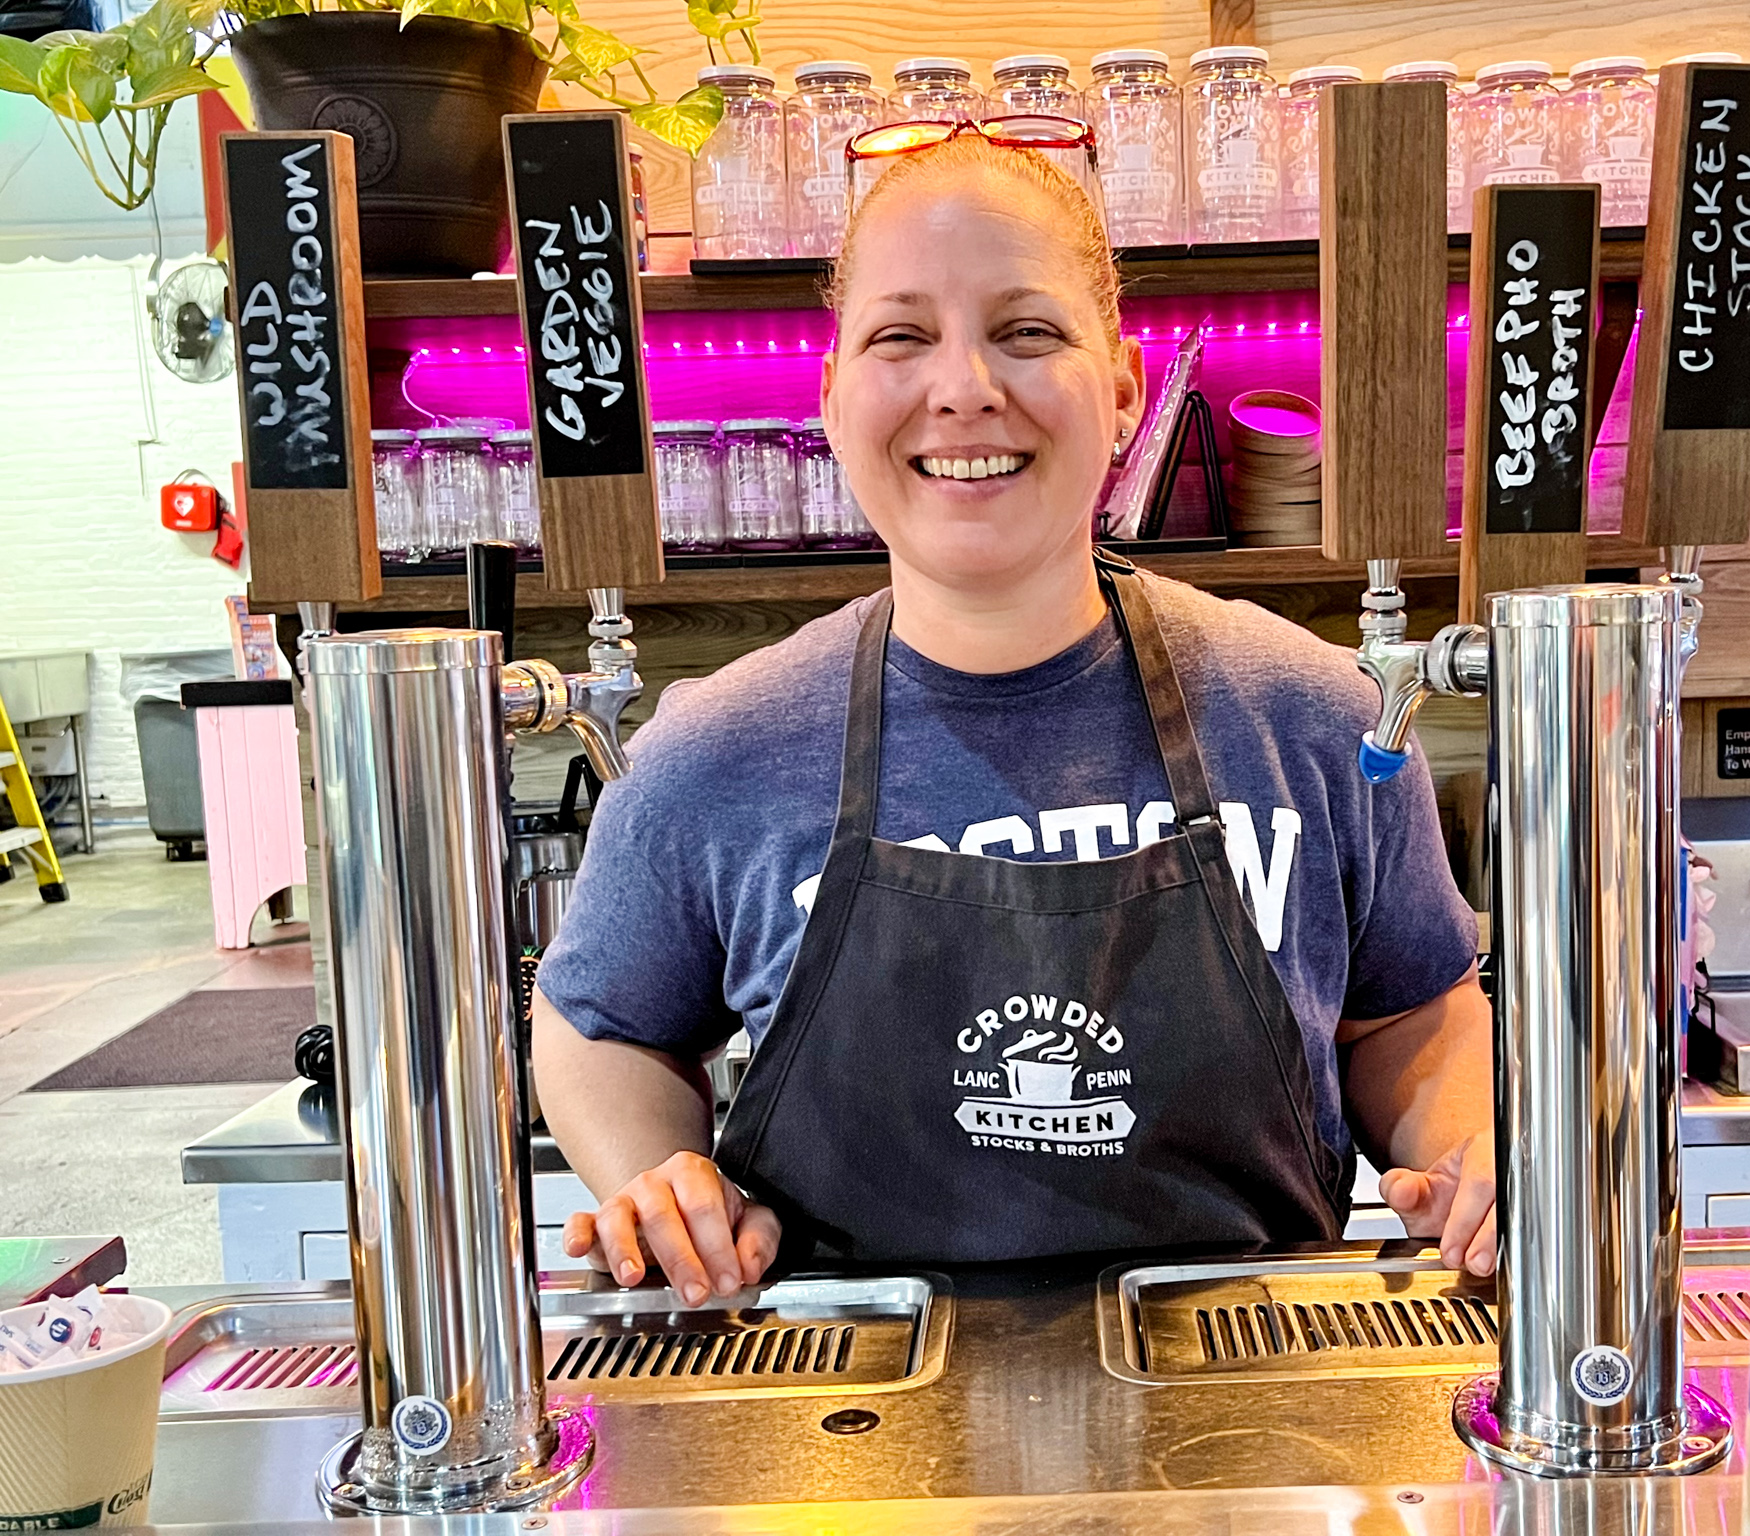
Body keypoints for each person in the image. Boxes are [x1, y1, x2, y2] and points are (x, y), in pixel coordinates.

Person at [532, 128, 1495, 1306]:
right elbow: (596, 1024)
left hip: (1245, 1410)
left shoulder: (1309, 713)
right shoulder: (714, 752)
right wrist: (657, 1173)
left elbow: (1415, 1009)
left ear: (1125, 390)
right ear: (833, 397)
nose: (963, 388)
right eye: (899, 336)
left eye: (1026, 331)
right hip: (840, 1427)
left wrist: (1464, 1151)